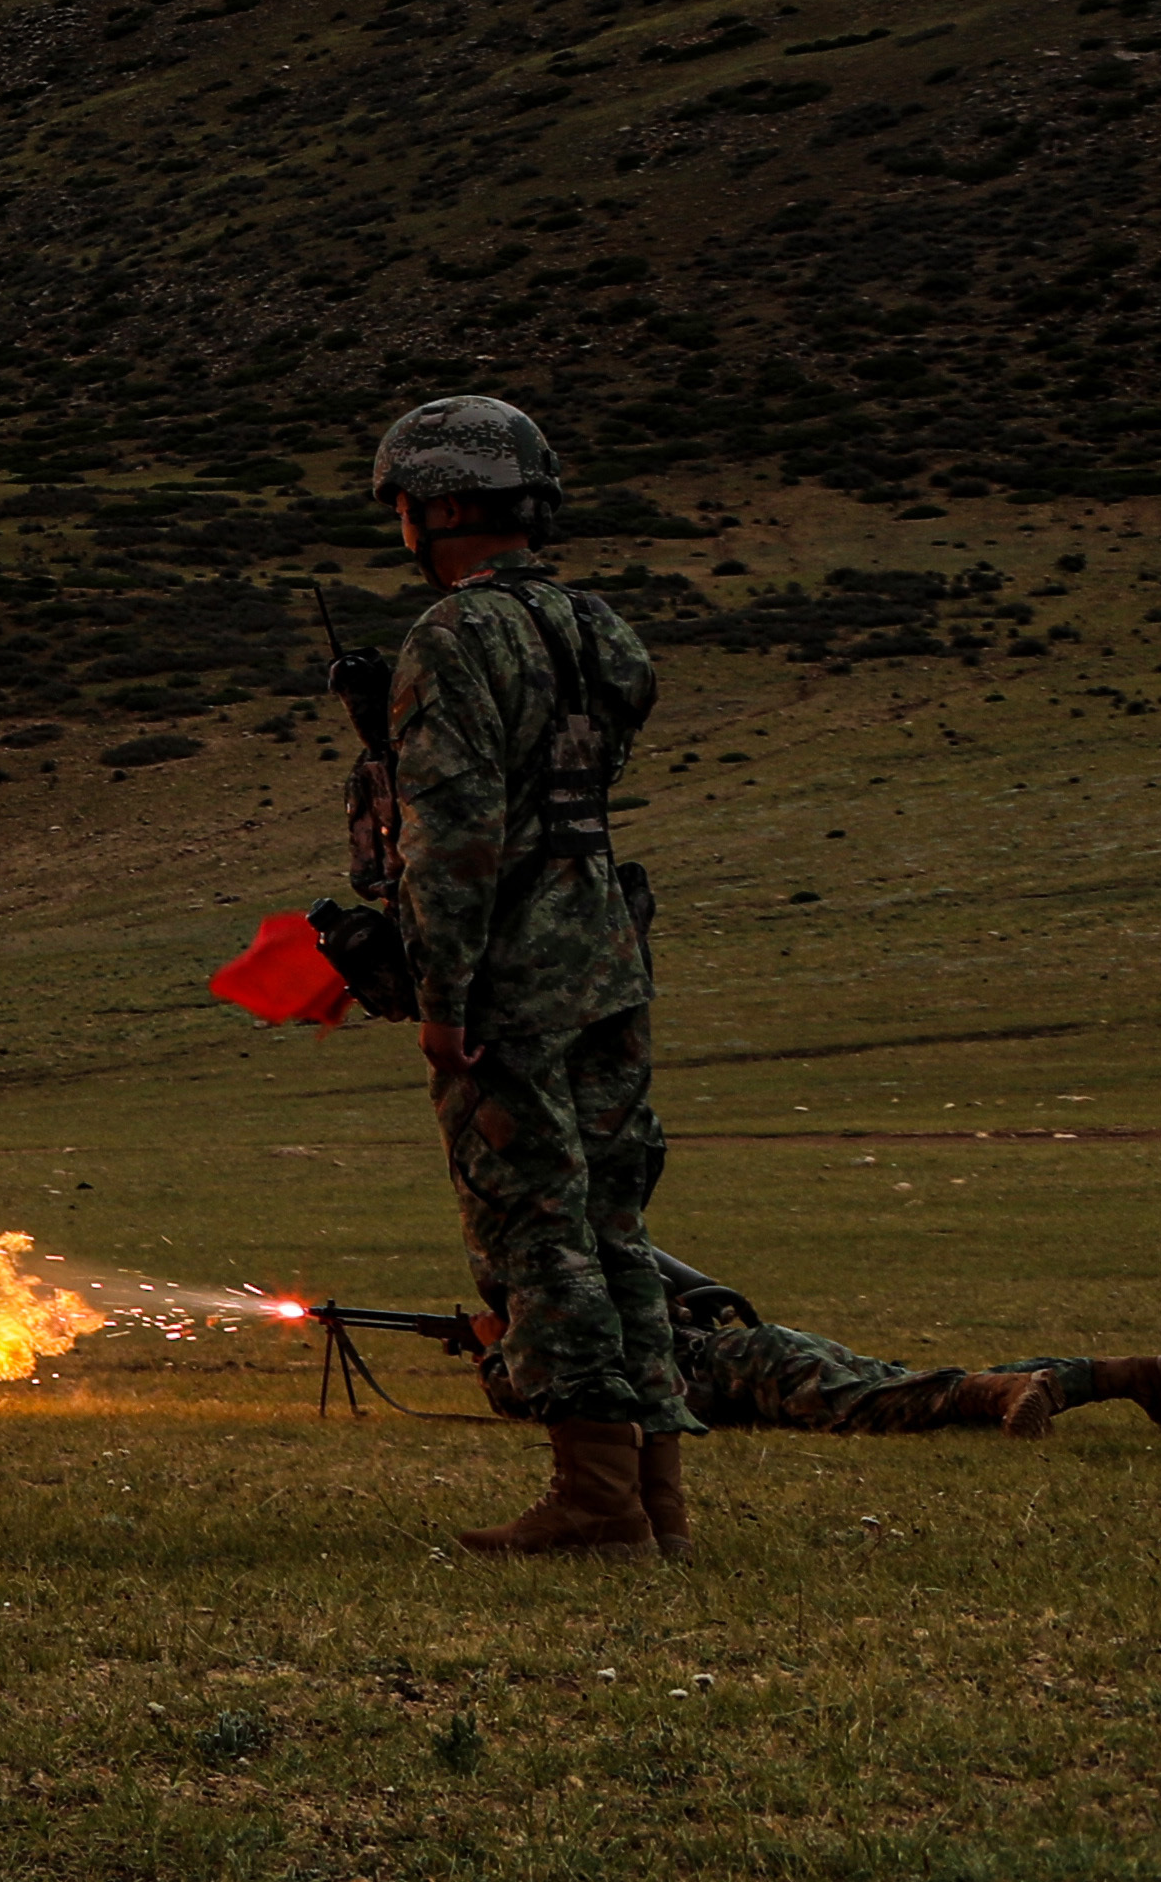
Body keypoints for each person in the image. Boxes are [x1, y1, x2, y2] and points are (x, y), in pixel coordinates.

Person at [368, 390, 690, 1558]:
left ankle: (596, 1505)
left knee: (535, 1224)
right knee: (615, 1225)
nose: (402, 523)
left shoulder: (454, 637)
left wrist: (442, 1001)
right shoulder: (597, 627)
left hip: (510, 967)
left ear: (443, 503)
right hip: (605, 947)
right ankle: (655, 1499)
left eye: (407, 502)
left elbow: (453, 835)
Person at [630, 1247, 1161, 1439]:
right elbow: (707, 1294)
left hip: (729, 1360)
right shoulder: (610, 1239)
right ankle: (1124, 1374)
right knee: (903, 1384)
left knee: (864, 1407)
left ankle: (1012, 1389)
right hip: (760, 1344)